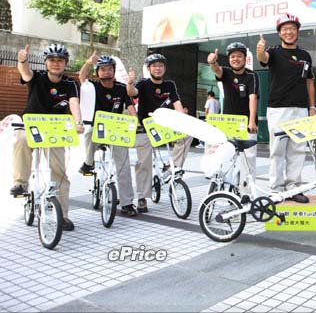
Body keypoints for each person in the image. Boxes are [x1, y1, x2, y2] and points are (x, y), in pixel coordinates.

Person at [11, 44, 83, 231]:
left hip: (56, 129)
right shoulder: (37, 77)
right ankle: (20, 183)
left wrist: (78, 122)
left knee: (60, 172)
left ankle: (63, 216)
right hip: (32, 124)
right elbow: (25, 73)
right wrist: (22, 60)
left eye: (60, 60)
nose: (56, 64)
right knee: (22, 140)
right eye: (52, 60)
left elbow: (74, 104)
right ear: (46, 63)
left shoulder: (70, 83)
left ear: (65, 63)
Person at [256, 13, 315, 203]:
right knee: (277, 150)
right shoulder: (273, 52)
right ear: (279, 33)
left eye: (292, 28)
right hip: (278, 108)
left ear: (297, 31)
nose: (289, 32)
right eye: (285, 29)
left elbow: (309, 82)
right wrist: (259, 50)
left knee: (298, 150)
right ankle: (275, 189)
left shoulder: (305, 56)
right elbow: (263, 58)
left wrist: (312, 107)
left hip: (301, 109)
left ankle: (293, 187)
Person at [126, 53, 192, 213]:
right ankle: (142, 196)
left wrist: (184, 121)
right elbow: (132, 93)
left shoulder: (170, 85)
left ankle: (173, 169)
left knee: (187, 135)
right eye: (154, 66)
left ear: (164, 68)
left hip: (165, 125)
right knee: (144, 162)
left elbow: (177, 103)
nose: (157, 68)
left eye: (160, 65)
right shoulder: (143, 83)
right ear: (149, 69)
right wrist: (130, 82)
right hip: (145, 128)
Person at [78, 52, 139, 217]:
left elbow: (130, 106)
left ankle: (127, 204)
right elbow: (81, 78)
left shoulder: (121, 88)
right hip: (97, 129)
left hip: (116, 130)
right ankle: (88, 163)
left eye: (109, 69)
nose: (106, 72)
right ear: (98, 72)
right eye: (102, 69)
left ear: (114, 70)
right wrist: (88, 63)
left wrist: (136, 121)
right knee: (89, 131)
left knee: (124, 166)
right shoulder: (92, 86)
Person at [207, 42, 260, 187]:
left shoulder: (252, 75)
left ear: (245, 59)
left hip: (247, 125)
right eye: (232, 56)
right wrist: (212, 61)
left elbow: (253, 97)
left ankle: (247, 193)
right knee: (226, 156)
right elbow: (216, 69)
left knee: (248, 159)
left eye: (239, 56)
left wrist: (251, 121)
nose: (235, 59)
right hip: (228, 124)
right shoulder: (226, 72)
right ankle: (224, 187)